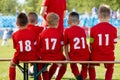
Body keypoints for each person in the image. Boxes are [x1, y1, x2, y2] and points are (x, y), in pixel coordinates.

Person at [89, 4, 117, 80]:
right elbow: (114, 42)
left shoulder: (93, 29)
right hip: (109, 56)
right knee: (110, 67)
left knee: (91, 65)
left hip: (96, 55)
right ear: (109, 16)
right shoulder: (114, 29)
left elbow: (91, 43)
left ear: (99, 15)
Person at [9, 13, 40, 80]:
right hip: (32, 56)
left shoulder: (14, 34)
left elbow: (15, 47)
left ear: (17, 24)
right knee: (38, 65)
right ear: (27, 23)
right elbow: (35, 45)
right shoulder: (33, 33)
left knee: (12, 64)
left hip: (20, 56)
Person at [37, 12, 66, 80]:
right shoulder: (60, 33)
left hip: (45, 56)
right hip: (56, 55)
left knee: (44, 66)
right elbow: (62, 48)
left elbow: (39, 47)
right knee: (64, 63)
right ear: (57, 23)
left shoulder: (42, 34)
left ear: (47, 22)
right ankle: (57, 78)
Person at [64, 12, 90, 80]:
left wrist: (67, 56)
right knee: (85, 66)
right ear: (79, 22)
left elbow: (65, 45)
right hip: (85, 55)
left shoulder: (67, 31)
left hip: (74, 55)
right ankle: (83, 76)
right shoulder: (82, 30)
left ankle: (77, 75)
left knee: (72, 64)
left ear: (68, 22)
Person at [27, 12, 45, 78]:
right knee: (41, 66)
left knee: (37, 65)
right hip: (36, 54)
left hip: (26, 53)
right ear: (37, 21)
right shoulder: (38, 29)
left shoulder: (25, 29)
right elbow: (44, 27)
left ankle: (31, 70)